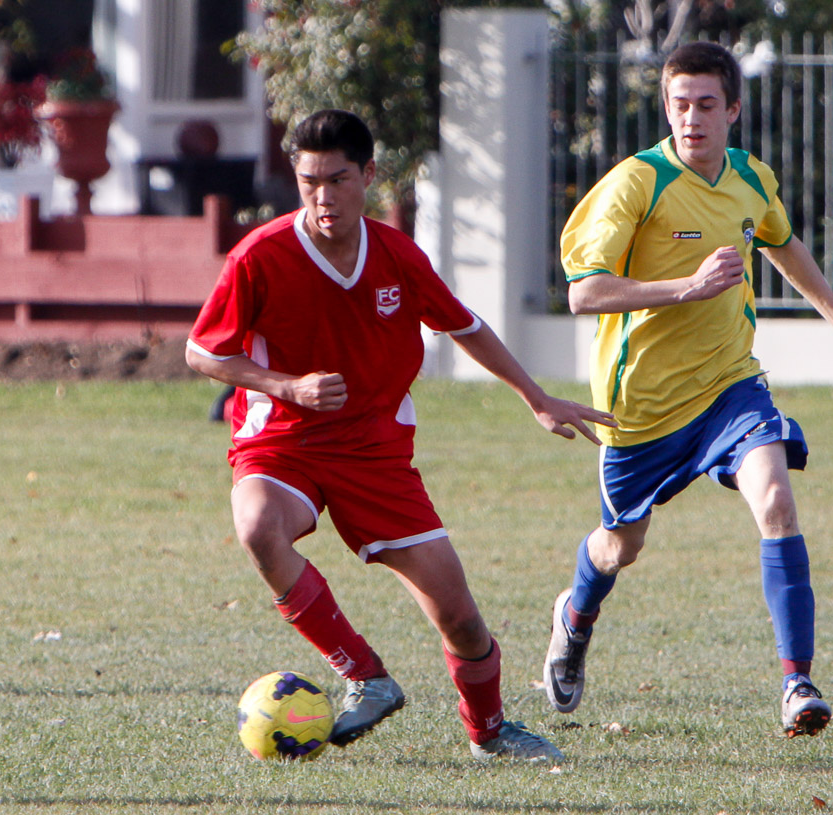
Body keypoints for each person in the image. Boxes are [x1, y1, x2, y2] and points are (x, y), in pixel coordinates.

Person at [185, 109, 614, 763]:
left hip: (375, 453)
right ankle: (365, 675)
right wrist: (287, 386)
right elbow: (202, 352)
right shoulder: (260, 256)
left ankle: (490, 732)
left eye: (337, 180)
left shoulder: (396, 255)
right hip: (284, 442)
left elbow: (464, 325)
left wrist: (536, 397)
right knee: (257, 526)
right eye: (308, 182)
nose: (323, 197)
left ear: (367, 176)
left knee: (460, 619)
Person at [541, 42, 833, 739]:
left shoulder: (751, 178)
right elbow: (584, 294)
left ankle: (796, 683)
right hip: (640, 410)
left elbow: (782, 243)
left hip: (730, 386)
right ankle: (574, 616)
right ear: (666, 109)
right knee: (619, 547)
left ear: (733, 110)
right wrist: (687, 288)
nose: (691, 118)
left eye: (705, 105)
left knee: (777, 500)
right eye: (679, 105)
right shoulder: (636, 183)